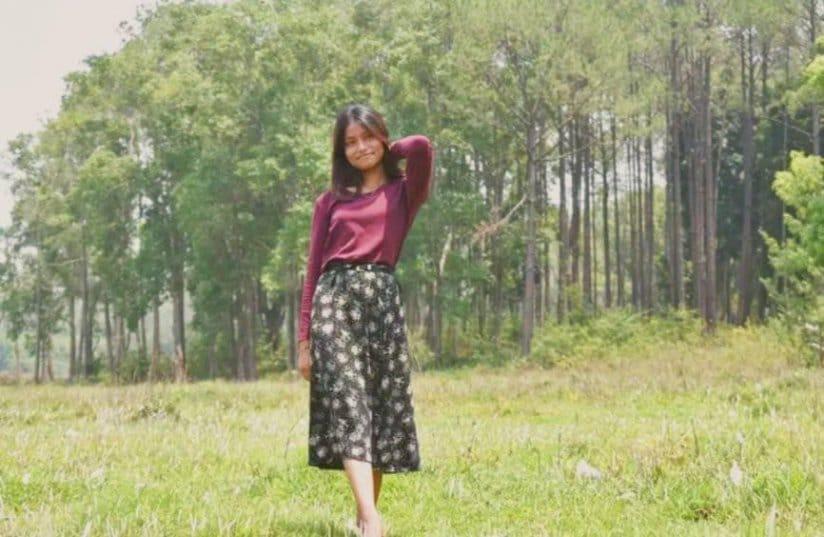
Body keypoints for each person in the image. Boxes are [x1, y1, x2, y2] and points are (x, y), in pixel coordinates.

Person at [297, 103, 434, 537]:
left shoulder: (404, 192)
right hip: (334, 301)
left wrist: (389, 147)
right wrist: (304, 340)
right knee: (349, 405)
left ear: (381, 136)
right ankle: (372, 521)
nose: (360, 148)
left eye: (367, 137)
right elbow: (313, 269)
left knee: (377, 411)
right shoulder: (329, 202)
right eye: (350, 142)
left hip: (382, 303)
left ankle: (363, 513)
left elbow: (424, 148)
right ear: (340, 151)